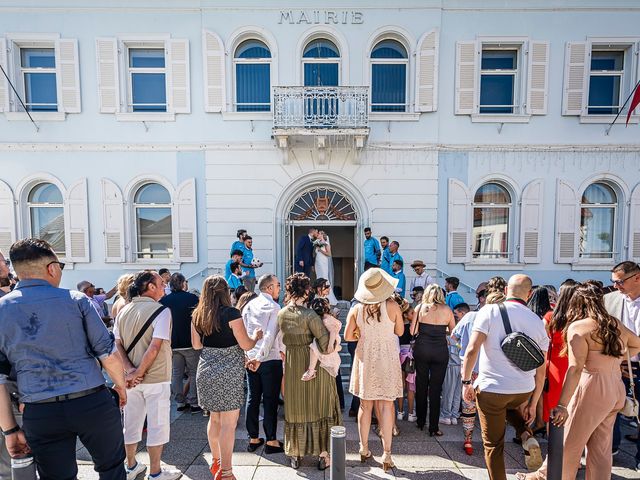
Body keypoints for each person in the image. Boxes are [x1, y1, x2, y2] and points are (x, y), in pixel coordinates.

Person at [0, 239, 127, 480]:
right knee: (112, 469)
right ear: (51, 268)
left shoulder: (2, 309)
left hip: (39, 408)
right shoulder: (76, 300)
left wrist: (10, 430)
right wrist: (119, 386)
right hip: (90, 400)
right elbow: (106, 353)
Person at [462, 274, 549, 480]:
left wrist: (466, 382)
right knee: (508, 405)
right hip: (523, 389)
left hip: (492, 388)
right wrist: (533, 402)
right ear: (529, 294)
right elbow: (541, 368)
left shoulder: (489, 311)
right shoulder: (536, 320)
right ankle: (525, 433)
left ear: (506, 290)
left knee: (493, 444)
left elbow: (472, 349)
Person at [550, 283, 640, 480]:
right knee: (601, 449)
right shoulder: (614, 323)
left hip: (592, 386)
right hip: (615, 387)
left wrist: (562, 404)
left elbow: (574, 369)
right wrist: (615, 359)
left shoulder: (579, 327)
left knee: (569, 445)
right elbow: (636, 344)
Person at [191, 276, 262, 480]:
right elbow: (246, 345)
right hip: (229, 372)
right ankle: (227, 473)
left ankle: (217, 462)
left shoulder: (197, 315)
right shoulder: (232, 313)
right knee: (229, 425)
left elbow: (196, 346)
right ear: (224, 292)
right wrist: (256, 336)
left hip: (205, 371)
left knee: (215, 419)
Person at [114, 270, 180, 480]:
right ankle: (155, 472)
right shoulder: (161, 311)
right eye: (161, 283)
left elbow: (117, 344)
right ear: (150, 287)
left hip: (131, 379)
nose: (164, 286)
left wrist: (130, 371)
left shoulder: (123, 310)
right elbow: (155, 346)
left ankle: (131, 465)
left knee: (131, 424)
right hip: (156, 376)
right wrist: (139, 372)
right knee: (157, 424)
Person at [515, 281, 579, 480]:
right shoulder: (578, 320)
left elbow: (539, 345)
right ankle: (569, 463)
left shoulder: (552, 318)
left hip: (554, 368)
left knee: (555, 419)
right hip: (574, 367)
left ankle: (553, 466)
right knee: (572, 415)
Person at [278, 273, 341, 471]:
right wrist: (335, 336)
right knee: (320, 406)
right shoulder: (310, 315)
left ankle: (296, 453)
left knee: (296, 409)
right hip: (314, 368)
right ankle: (323, 454)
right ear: (306, 291)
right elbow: (325, 348)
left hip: (293, 366)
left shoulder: (282, 314)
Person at [345, 268, 404, 472]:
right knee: (388, 405)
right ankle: (387, 454)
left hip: (366, 357)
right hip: (387, 356)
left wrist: (362, 334)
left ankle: (363, 449)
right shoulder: (393, 305)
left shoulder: (356, 309)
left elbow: (348, 336)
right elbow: (400, 331)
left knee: (365, 405)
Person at [243, 274, 285, 455]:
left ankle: (253, 438)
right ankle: (271, 440)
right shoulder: (274, 307)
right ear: (269, 288)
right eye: (277, 285)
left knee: (253, 398)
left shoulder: (248, 305)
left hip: (251, 358)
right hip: (268, 359)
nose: (279, 288)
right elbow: (269, 336)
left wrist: (248, 356)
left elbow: (243, 333)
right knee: (270, 400)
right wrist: (259, 357)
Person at [412, 283, 456, 436]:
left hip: (422, 349)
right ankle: (434, 427)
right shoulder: (447, 310)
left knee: (421, 385)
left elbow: (413, 330)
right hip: (440, 351)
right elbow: (453, 332)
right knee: (436, 390)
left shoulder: (420, 308)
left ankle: (420, 421)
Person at [607, 261, 640, 465]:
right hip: (618, 365)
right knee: (612, 409)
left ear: (637, 278)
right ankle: (610, 449)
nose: (615, 286)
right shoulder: (609, 300)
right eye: (613, 282)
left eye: (619, 282)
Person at [160, 273, 201, 413]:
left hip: (172, 342)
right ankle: (194, 402)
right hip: (190, 341)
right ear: (183, 283)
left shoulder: (164, 301)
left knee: (176, 373)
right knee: (194, 372)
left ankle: (179, 402)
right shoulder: (193, 298)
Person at [441, 303, 468, 426]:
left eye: (456, 315)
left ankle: (447, 415)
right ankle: (454, 415)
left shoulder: (457, 329)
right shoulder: (470, 328)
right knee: (457, 392)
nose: (455, 317)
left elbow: (454, 342)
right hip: (463, 365)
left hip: (453, 364)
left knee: (449, 391)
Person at [302, 297, 341, 381]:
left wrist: (330, 344)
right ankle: (311, 370)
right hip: (333, 340)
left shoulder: (326, 319)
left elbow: (333, 331)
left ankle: (311, 371)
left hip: (331, 340)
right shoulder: (328, 317)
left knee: (313, 347)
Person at [394, 293, 417, 423]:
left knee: (401, 385)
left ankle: (400, 411)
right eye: (412, 313)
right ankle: (411, 413)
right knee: (411, 386)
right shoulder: (412, 327)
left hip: (399, 355)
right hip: (410, 355)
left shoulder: (397, 327)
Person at [313, 231, 339, 304]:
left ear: (322, 235)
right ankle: (318, 296)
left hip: (323, 263)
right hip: (318, 263)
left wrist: (320, 250)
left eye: (319, 234)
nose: (317, 235)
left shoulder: (326, 244)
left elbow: (329, 254)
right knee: (318, 278)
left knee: (324, 278)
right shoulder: (317, 243)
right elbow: (316, 255)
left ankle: (327, 296)